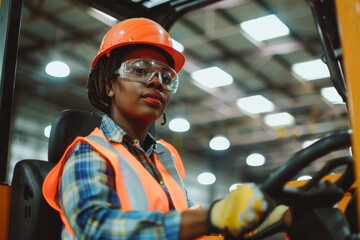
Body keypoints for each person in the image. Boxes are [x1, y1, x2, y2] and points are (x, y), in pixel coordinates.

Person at [43, 17, 274, 239]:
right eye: (139, 71)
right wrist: (211, 217)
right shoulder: (89, 153)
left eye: (166, 77)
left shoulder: (164, 157)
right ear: (109, 85)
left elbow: (188, 216)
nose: (156, 82)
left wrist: (266, 216)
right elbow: (96, 229)